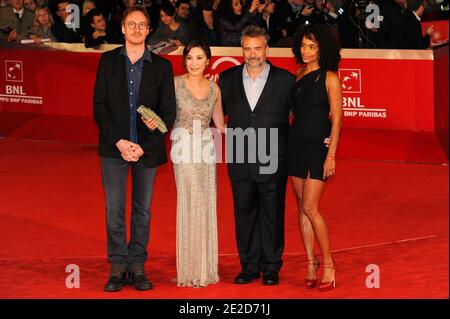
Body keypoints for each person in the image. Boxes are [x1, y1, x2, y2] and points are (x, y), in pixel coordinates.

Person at [93, 6, 176, 292]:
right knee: (113, 209)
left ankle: (137, 266)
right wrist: (119, 141)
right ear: (123, 29)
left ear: (149, 29)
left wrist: (143, 146)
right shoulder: (107, 62)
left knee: (142, 210)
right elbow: (99, 107)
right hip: (113, 148)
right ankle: (118, 266)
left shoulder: (162, 67)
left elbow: (169, 112)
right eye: (132, 24)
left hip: (146, 151)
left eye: (142, 25)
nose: (137, 29)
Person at [218, 25, 294, 286]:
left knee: (272, 213)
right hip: (239, 157)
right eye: (247, 49)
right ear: (242, 51)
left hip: (273, 156)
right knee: (244, 212)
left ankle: (271, 266)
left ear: (267, 50)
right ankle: (249, 265)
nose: (252, 54)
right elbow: (215, 116)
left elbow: (302, 115)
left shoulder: (285, 80)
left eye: (257, 48)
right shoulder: (227, 79)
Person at [287, 23, 342, 291]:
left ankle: (329, 263)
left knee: (310, 207)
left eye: (312, 46)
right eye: (303, 45)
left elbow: (337, 121)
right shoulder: (297, 75)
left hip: (317, 147)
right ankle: (310, 261)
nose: (306, 50)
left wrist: (331, 155)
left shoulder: (330, 77)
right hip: (295, 143)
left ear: (323, 49)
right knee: (300, 207)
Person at [171, 40, 225, 288]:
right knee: (190, 201)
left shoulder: (214, 89)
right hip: (183, 147)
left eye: (199, 58)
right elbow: (164, 115)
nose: (194, 63)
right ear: (185, 60)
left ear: (208, 61)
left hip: (205, 147)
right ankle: (190, 269)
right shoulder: (175, 84)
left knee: (205, 202)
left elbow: (220, 125)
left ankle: (204, 267)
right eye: (190, 58)